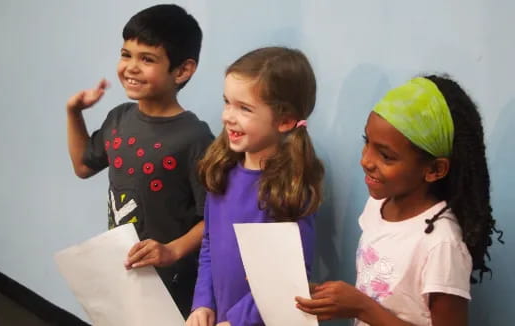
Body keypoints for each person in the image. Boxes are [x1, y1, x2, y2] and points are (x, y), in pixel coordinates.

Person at [296, 75, 503, 325]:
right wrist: (323, 297)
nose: (366, 160)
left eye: (385, 155)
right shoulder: (378, 206)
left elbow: (369, 307)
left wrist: (362, 308)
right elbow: (383, 294)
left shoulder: (441, 244)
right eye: (367, 142)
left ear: (435, 169)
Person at [65, 4, 213, 317]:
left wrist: (172, 250)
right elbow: (82, 166)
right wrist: (74, 112)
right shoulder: (119, 118)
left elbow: (213, 219)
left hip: (173, 285)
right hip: (124, 274)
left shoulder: (194, 137)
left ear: (182, 70)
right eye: (126, 54)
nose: (130, 67)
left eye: (146, 59)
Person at [186, 47, 324, 326]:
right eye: (227, 102)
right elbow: (210, 245)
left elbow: (289, 277)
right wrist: (202, 303)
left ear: (284, 120)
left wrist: (237, 322)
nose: (228, 116)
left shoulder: (292, 188)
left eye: (244, 108)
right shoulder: (220, 171)